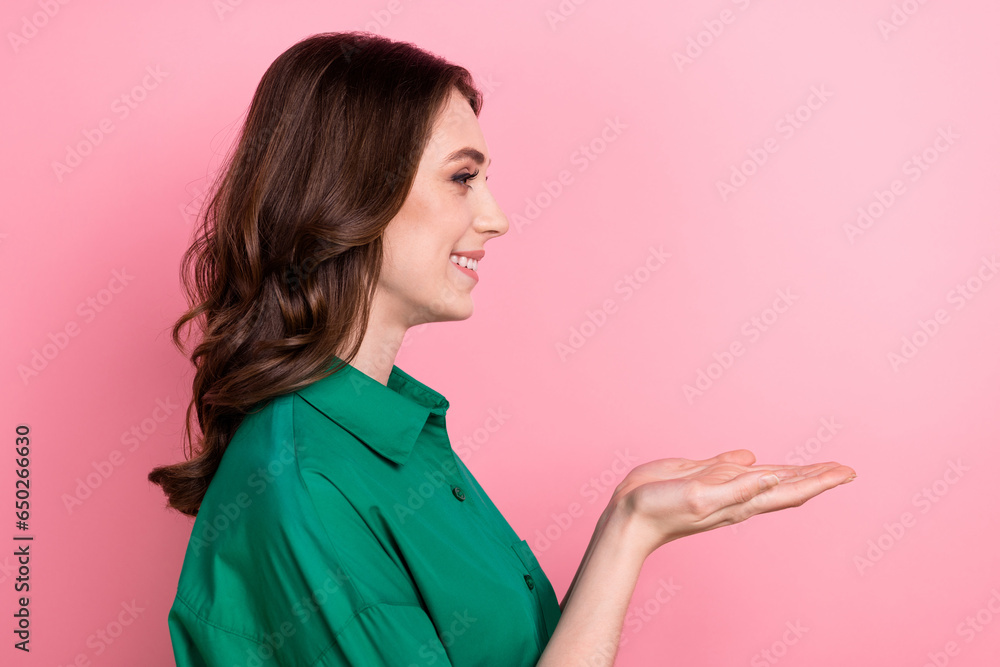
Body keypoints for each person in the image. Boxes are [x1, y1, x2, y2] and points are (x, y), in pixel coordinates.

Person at [148, 31, 856, 666]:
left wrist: (626, 520)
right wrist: (632, 539)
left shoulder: (392, 433)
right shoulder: (307, 484)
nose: (497, 217)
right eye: (462, 177)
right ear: (352, 190)